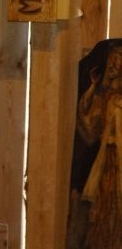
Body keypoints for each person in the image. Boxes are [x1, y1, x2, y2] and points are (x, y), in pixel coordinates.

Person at [77, 43, 121, 248]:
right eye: (112, 66)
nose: (115, 71)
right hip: (108, 164)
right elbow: (89, 129)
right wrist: (93, 88)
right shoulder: (106, 98)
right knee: (104, 211)